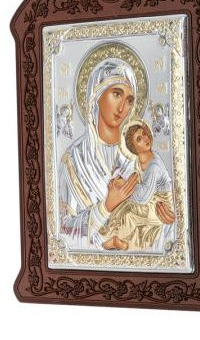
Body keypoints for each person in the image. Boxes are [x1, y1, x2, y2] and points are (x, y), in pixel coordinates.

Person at [57, 57, 175, 250]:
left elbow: (164, 217)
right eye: (116, 94)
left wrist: (167, 219)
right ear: (97, 94)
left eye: (129, 100)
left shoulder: (139, 157)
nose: (122, 108)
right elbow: (61, 234)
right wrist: (106, 207)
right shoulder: (73, 160)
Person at [99, 120, 175, 251]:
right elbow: (135, 179)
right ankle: (119, 240)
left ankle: (117, 239)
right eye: (139, 139)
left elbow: (143, 197)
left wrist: (124, 184)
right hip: (151, 201)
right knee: (122, 205)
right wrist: (119, 182)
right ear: (133, 148)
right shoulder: (139, 162)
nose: (145, 138)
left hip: (160, 206)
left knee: (129, 211)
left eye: (144, 134)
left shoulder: (154, 166)